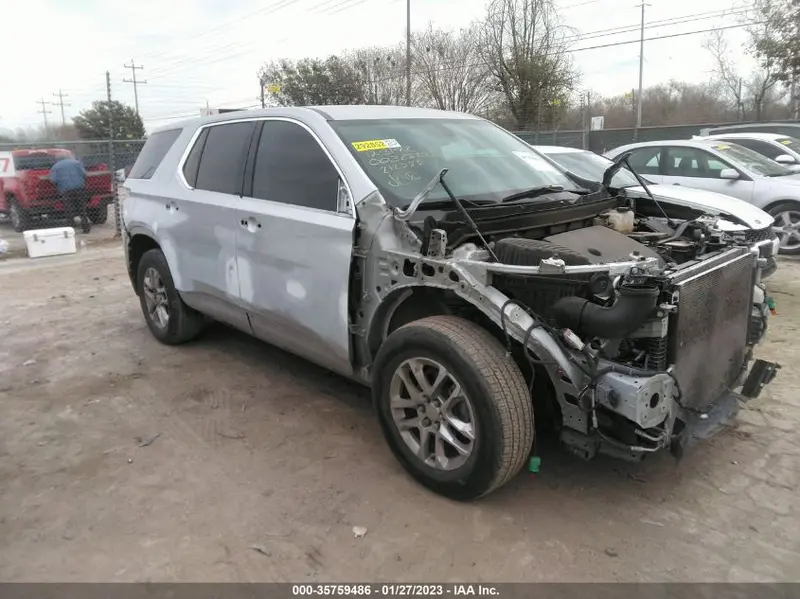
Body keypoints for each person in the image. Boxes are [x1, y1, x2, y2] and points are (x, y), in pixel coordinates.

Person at [49, 155, 91, 233]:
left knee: (69, 209)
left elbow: (53, 180)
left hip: (66, 190)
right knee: (82, 209)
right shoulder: (77, 163)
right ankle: (86, 228)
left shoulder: (55, 167)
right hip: (79, 188)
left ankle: (70, 229)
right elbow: (84, 174)